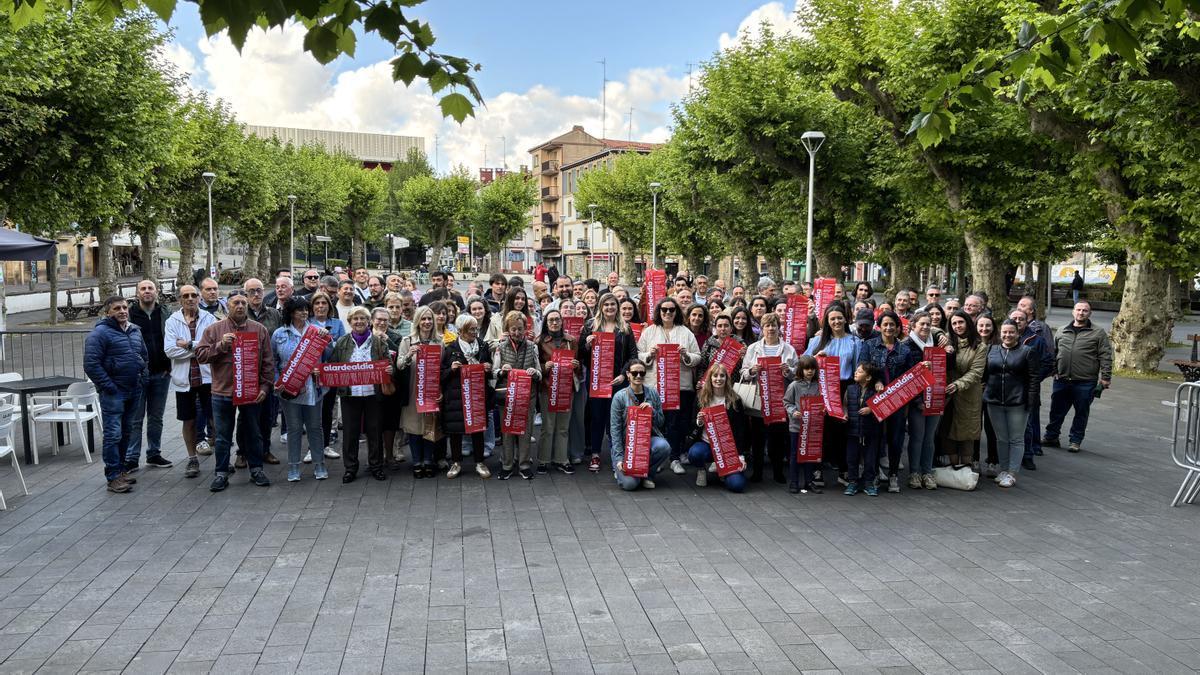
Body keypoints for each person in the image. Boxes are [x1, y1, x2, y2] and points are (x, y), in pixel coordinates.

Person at [195, 290, 273, 492]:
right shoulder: (214, 329)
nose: (239, 306)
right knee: (222, 436)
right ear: (227, 306)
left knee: (254, 433)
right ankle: (221, 472)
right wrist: (221, 346)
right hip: (222, 392)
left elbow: (267, 362)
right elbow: (201, 355)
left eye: (243, 303)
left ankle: (256, 469)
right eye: (235, 303)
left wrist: (265, 386)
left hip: (251, 392)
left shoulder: (259, 329)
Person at [85, 296, 149, 494]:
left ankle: (121, 471)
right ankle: (112, 476)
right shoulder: (100, 334)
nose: (122, 311)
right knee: (113, 435)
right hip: (114, 392)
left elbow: (143, 356)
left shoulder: (134, 330)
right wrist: (109, 386)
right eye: (117, 308)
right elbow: (91, 365)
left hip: (134, 389)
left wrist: (142, 377)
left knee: (127, 432)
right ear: (108, 312)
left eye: (124, 307)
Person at [637, 297, 702, 477]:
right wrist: (648, 355)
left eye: (671, 310)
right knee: (657, 422)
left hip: (680, 386)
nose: (667, 313)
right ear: (659, 312)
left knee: (676, 423)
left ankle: (674, 458)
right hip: (655, 385)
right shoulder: (649, 331)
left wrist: (685, 355)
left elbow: (698, 356)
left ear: (676, 312)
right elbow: (638, 355)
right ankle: (658, 459)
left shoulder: (685, 332)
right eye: (664, 310)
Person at [856, 310, 920, 493]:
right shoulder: (869, 346)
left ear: (898, 327)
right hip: (875, 401)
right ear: (879, 326)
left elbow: (910, 376)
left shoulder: (905, 350)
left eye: (892, 324)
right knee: (875, 438)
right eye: (885, 324)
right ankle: (874, 474)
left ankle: (893, 475)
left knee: (896, 439)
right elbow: (862, 368)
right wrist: (876, 380)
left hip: (897, 402)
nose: (889, 327)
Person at [273, 296, 331, 482]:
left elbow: (331, 356)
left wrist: (327, 341)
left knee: (315, 427)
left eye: (306, 309)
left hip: (313, 387)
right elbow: (272, 361)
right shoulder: (279, 334)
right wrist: (277, 382)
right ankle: (293, 467)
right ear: (291, 312)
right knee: (294, 428)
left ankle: (319, 465)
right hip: (289, 388)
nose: (304, 312)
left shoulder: (316, 332)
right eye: (299, 309)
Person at [330, 307, 391, 482]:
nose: (359, 322)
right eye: (355, 319)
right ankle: (350, 468)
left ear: (369, 321)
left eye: (363, 319)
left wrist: (389, 369)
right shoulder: (342, 342)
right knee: (350, 432)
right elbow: (333, 365)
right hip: (350, 394)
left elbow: (389, 363)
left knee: (374, 431)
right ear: (349, 322)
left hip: (373, 393)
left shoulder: (378, 342)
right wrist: (323, 373)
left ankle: (376, 466)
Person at [1043, 300, 1112, 453]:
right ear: (1073, 311)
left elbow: (1105, 356)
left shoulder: (1098, 332)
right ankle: (1051, 437)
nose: (1081, 313)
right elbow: (1053, 353)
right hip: (1061, 380)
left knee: (1081, 412)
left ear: (1090, 313)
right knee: (1056, 411)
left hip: (1085, 382)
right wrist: (1053, 370)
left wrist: (1106, 377)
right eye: (1078, 309)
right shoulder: (1061, 330)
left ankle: (1075, 440)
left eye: (1085, 310)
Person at [805, 303, 862, 486]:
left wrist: (850, 397)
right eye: (832, 319)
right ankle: (817, 471)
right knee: (820, 430)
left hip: (844, 387)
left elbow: (857, 370)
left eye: (839, 317)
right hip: (821, 388)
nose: (836, 321)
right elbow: (802, 364)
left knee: (843, 431)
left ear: (845, 319)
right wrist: (815, 359)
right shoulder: (817, 341)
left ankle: (843, 471)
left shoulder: (854, 342)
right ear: (827, 322)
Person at [579, 292, 635, 473]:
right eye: (606, 305)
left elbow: (632, 356)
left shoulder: (625, 328)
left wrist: (624, 374)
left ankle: (616, 454)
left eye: (613, 304)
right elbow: (581, 355)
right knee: (597, 418)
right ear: (600, 307)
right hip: (596, 380)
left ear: (617, 307)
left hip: (618, 380)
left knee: (616, 419)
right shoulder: (590, 326)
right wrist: (586, 345)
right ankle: (595, 453)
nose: (610, 308)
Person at [164, 285, 216, 479]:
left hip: (208, 378)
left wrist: (187, 344)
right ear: (180, 299)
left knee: (215, 418)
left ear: (199, 298)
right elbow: (169, 350)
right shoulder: (172, 321)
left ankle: (222, 458)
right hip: (184, 379)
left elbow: (211, 348)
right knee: (189, 421)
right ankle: (192, 458)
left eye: (194, 295)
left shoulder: (210, 319)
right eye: (186, 296)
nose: (190, 298)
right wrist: (198, 348)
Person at [740, 313, 797, 483]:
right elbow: (743, 372)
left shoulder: (789, 349)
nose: (771, 328)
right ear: (762, 329)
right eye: (767, 325)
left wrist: (788, 371)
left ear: (779, 328)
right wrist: (752, 371)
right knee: (758, 438)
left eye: (774, 325)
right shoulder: (753, 348)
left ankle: (778, 472)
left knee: (777, 438)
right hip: (759, 399)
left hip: (779, 400)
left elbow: (798, 374)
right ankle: (757, 472)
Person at [984, 320, 1040, 488]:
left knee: (1016, 438)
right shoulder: (991, 350)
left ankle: (1012, 472)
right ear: (1000, 334)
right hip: (994, 401)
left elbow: (1033, 379)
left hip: (1017, 402)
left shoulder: (1027, 351)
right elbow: (985, 375)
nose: (1007, 335)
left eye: (1011, 332)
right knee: (1001, 438)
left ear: (1018, 334)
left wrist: (1031, 402)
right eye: (1004, 332)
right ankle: (1003, 468)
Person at [127, 279, 173, 471]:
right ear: (137, 293)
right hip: (137, 376)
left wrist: (170, 365)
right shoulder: (129, 313)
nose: (147, 291)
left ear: (156, 292)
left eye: (150, 288)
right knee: (136, 419)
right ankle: (131, 457)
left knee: (156, 417)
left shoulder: (165, 313)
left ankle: (154, 453)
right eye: (143, 289)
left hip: (161, 373)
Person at [440, 314, 493, 479]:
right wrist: (451, 370)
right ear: (461, 330)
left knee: (477, 429)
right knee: (456, 431)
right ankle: (456, 462)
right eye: (471, 329)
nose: (475, 332)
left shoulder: (483, 347)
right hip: (456, 396)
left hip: (477, 394)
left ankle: (479, 461)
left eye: (476, 328)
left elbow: (490, 372)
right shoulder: (450, 349)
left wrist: (488, 368)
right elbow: (440, 375)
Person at [609, 359, 671, 490]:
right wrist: (619, 457)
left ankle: (648, 475)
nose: (638, 376)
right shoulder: (619, 397)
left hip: (646, 441)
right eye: (635, 373)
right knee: (630, 485)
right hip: (627, 446)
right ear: (628, 374)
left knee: (664, 446)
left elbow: (661, 422)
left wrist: (652, 411)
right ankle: (628, 472)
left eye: (641, 373)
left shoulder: (653, 393)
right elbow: (614, 430)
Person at [493, 311, 540, 480]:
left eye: (520, 329)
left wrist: (535, 372)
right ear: (508, 329)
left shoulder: (532, 346)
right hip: (507, 394)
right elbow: (494, 371)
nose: (517, 333)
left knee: (525, 431)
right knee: (507, 431)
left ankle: (524, 464)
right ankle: (507, 465)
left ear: (525, 329)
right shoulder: (501, 346)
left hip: (528, 395)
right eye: (513, 329)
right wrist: (501, 371)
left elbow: (540, 372)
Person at [396, 306, 442, 478]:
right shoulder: (408, 340)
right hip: (413, 389)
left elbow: (442, 368)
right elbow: (399, 365)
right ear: (417, 321)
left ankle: (428, 460)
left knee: (429, 425)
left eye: (430, 318)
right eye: (423, 319)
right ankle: (417, 461)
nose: (427, 322)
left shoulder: (439, 341)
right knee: (414, 426)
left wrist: (440, 390)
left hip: (431, 390)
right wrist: (409, 354)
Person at [688, 363, 749, 492]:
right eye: (715, 376)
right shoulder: (701, 398)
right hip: (707, 444)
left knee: (737, 486)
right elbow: (692, 423)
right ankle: (702, 470)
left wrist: (740, 456)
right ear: (710, 378)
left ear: (727, 379)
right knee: (694, 453)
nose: (718, 379)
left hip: (728, 448)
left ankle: (722, 469)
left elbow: (741, 430)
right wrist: (699, 421)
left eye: (722, 376)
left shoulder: (735, 400)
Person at [903, 310, 946, 489]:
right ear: (913, 326)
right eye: (922, 324)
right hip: (916, 401)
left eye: (928, 324)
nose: (926, 327)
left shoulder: (935, 343)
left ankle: (927, 472)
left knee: (930, 438)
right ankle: (914, 473)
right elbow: (904, 376)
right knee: (917, 437)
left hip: (934, 398)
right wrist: (917, 400)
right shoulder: (906, 345)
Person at [1006, 308, 1053, 471]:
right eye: (1015, 318)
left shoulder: (1037, 340)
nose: (1018, 321)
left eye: (1021, 319)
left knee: (1028, 423)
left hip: (1028, 388)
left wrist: (1033, 378)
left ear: (1027, 322)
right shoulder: (1003, 338)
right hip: (1007, 389)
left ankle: (1028, 455)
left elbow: (1048, 363)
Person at [536, 309, 580, 474]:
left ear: (562, 322)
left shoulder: (571, 341)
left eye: (557, 320)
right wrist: (543, 367)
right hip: (548, 388)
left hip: (566, 389)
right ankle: (543, 460)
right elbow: (533, 366)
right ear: (546, 323)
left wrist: (576, 366)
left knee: (563, 427)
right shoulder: (539, 341)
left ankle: (561, 459)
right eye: (551, 320)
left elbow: (579, 368)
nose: (554, 323)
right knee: (547, 426)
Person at [942, 310, 986, 467]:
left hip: (968, 395)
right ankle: (953, 470)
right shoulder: (947, 342)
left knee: (966, 435)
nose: (957, 326)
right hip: (948, 396)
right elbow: (929, 328)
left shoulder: (979, 346)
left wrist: (957, 385)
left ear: (968, 323)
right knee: (949, 432)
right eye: (954, 323)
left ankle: (966, 471)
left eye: (960, 322)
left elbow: (976, 372)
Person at [307, 292, 345, 462]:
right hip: (310, 374)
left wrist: (328, 340)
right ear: (312, 307)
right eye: (317, 303)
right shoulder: (307, 324)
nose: (320, 306)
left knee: (328, 410)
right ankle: (312, 447)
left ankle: (325, 445)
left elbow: (342, 346)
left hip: (330, 372)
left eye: (324, 303)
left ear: (330, 307)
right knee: (312, 411)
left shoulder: (337, 324)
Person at [783, 355, 821, 494]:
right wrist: (793, 412)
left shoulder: (818, 385)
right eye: (806, 369)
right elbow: (787, 402)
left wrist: (822, 410)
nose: (810, 371)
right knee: (794, 455)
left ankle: (809, 481)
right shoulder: (794, 385)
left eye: (812, 369)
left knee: (810, 455)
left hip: (812, 426)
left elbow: (822, 403)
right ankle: (794, 482)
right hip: (796, 426)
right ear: (801, 370)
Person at [843, 363, 883, 496]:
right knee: (852, 458)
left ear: (868, 377)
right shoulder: (849, 389)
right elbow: (844, 405)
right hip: (853, 430)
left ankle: (869, 483)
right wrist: (845, 414)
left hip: (871, 431)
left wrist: (871, 409)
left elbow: (884, 407)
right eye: (856, 370)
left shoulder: (876, 391)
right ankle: (853, 482)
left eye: (859, 371)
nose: (855, 372)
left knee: (870, 459)